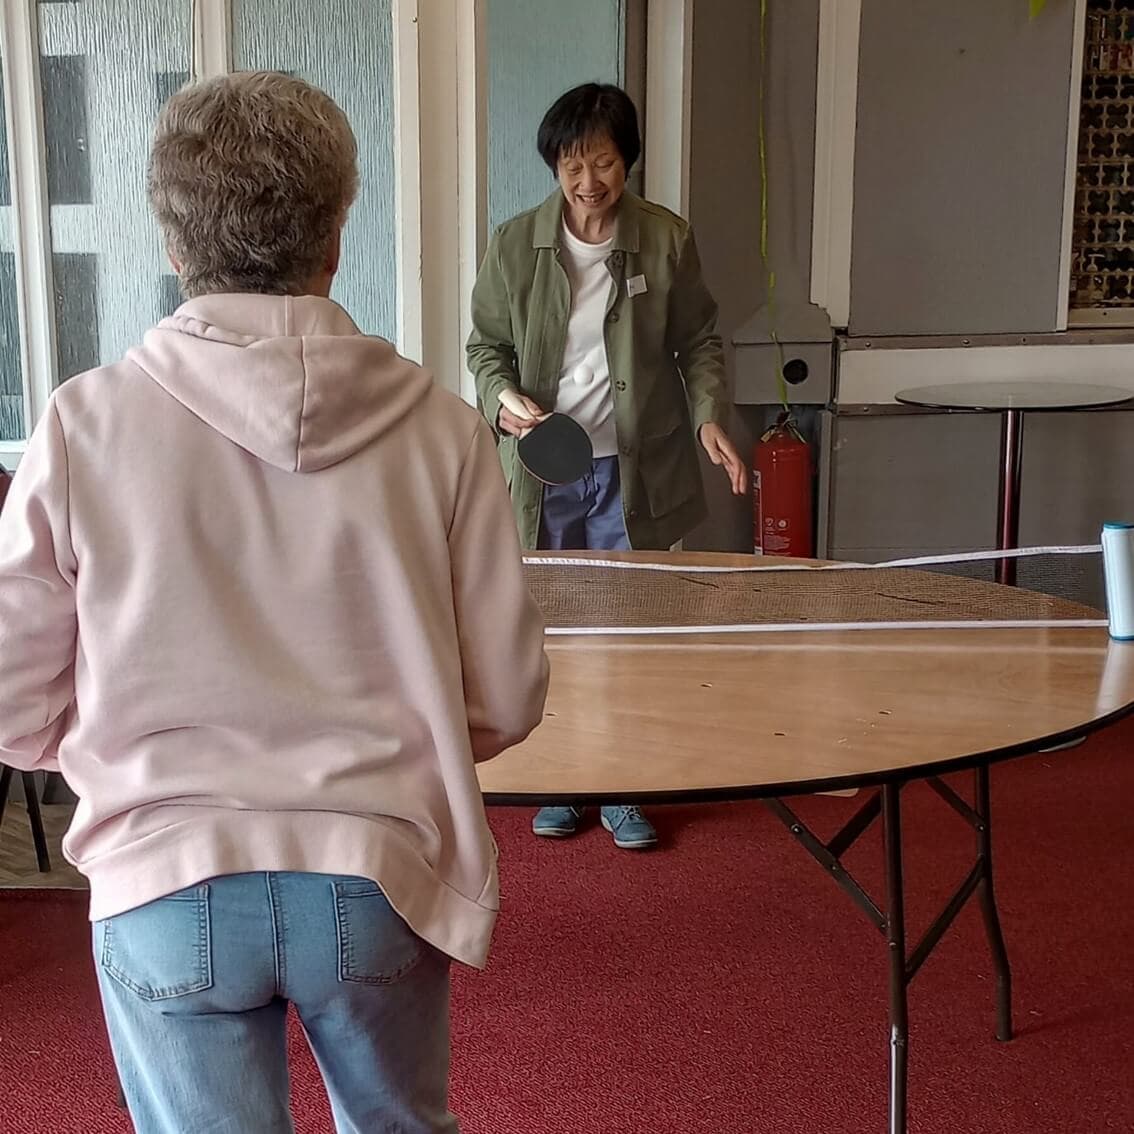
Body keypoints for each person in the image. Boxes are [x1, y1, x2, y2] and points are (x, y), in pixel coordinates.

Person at [0, 72, 549, 1134]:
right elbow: (510, 694)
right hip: (378, 868)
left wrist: (105, 738)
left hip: (164, 869)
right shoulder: (441, 431)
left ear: (173, 245)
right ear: (336, 235)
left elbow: (13, 702)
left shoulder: (81, 427)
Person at [467, 82, 747, 851]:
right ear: (554, 166)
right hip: (543, 473)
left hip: (636, 471)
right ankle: (561, 779)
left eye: (604, 163)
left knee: (631, 631)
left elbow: (702, 341)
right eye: (572, 165)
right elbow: (484, 348)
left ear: (628, 162)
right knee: (548, 631)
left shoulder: (665, 240)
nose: (589, 182)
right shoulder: (512, 244)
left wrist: (709, 417)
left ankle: (625, 786)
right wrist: (501, 398)